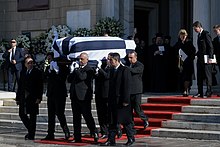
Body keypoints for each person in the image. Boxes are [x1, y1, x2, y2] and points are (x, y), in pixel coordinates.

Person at [101, 53, 136, 146]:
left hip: (122, 100)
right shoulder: (112, 70)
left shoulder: (125, 70)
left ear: (116, 60)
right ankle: (111, 139)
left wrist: (126, 100)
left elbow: (127, 86)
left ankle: (131, 138)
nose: (109, 62)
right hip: (113, 100)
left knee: (125, 121)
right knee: (112, 121)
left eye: (111, 60)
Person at [67, 52, 99, 143]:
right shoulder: (76, 69)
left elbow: (82, 77)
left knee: (87, 116)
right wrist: (72, 70)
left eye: (82, 59)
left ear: (87, 60)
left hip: (84, 97)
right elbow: (69, 79)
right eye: (79, 59)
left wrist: (76, 69)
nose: (80, 61)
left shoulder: (89, 69)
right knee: (76, 118)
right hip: (75, 96)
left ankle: (94, 132)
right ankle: (77, 137)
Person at [42, 52, 70, 140]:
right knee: (51, 115)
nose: (49, 61)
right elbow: (44, 78)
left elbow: (62, 79)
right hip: (51, 93)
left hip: (60, 93)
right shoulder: (49, 68)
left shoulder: (62, 68)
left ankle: (66, 131)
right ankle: (50, 133)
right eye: (48, 59)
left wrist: (56, 71)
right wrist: (49, 70)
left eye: (50, 59)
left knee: (60, 113)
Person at [16, 56, 43, 140]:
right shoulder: (23, 72)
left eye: (32, 63)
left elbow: (40, 86)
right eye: (28, 63)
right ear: (25, 64)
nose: (30, 64)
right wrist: (17, 98)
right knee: (22, 114)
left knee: (33, 117)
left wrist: (39, 97)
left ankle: (31, 134)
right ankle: (31, 130)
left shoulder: (37, 72)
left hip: (33, 97)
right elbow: (20, 86)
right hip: (24, 97)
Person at [127, 51, 149, 129]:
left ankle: (144, 119)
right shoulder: (129, 65)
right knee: (128, 110)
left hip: (136, 90)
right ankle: (131, 126)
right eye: (129, 57)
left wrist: (125, 67)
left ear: (135, 57)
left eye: (131, 57)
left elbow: (134, 71)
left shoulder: (140, 65)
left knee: (137, 108)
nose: (129, 59)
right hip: (129, 90)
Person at [193, 21, 214, 98]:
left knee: (208, 75)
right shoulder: (199, 35)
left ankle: (209, 91)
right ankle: (200, 92)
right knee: (199, 75)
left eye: (196, 29)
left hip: (207, 58)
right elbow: (201, 48)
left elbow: (210, 46)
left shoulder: (206, 34)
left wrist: (210, 58)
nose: (195, 31)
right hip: (200, 59)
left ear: (199, 27)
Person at [173, 29, 196, 96]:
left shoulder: (189, 43)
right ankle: (184, 89)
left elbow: (193, 52)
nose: (183, 37)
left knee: (187, 76)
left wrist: (189, 58)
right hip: (181, 63)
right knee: (182, 77)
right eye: (181, 35)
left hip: (188, 63)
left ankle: (186, 90)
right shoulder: (178, 44)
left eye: (184, 35)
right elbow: (175, 52)